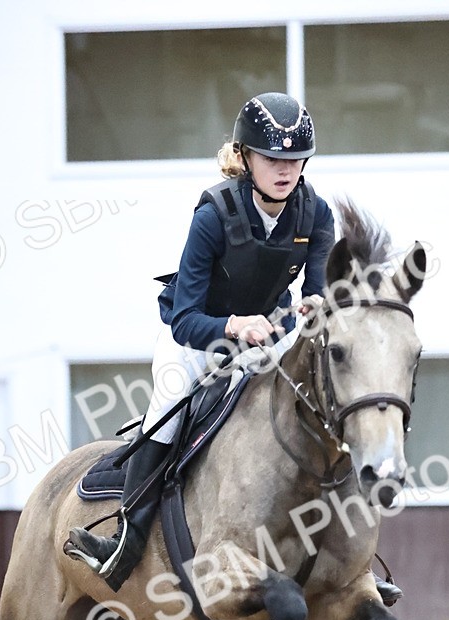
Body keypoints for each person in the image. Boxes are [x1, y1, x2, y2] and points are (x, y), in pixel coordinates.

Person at [65, 92, 336, 590]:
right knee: (166, 411)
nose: (286, 169)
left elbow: (317, 290)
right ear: (246, 157)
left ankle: (343, 551)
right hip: (198, 340)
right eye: (274, 158)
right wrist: (235, 325)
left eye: (296, 159)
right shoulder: (214, 213)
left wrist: (316, 306)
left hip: (268, 334)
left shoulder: (315, 213)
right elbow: (184, 318)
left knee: (322, 398)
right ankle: (125, 542)